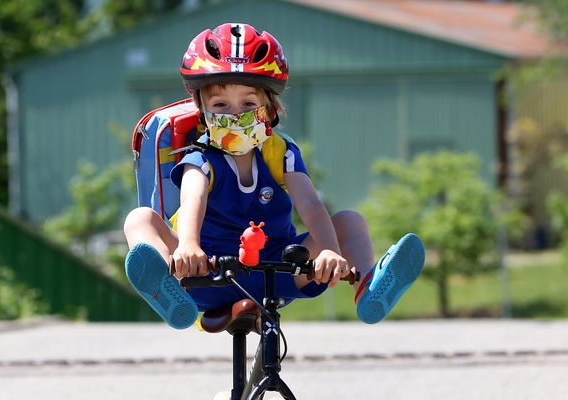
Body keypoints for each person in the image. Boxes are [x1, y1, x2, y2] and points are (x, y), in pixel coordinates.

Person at [123, 23, 425, 329]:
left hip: (280, 269)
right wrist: (188, 246)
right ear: (201, 109)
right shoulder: (199, 160)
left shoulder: (280, 152)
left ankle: (368, 287)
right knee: (139, 219)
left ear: (270, 108)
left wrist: (330, 251)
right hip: (208, 274)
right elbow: (192, 200)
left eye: (248, 104)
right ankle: (165, 282)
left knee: (348, 221)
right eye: (220, 105)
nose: (234, 114)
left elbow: (310, 204)